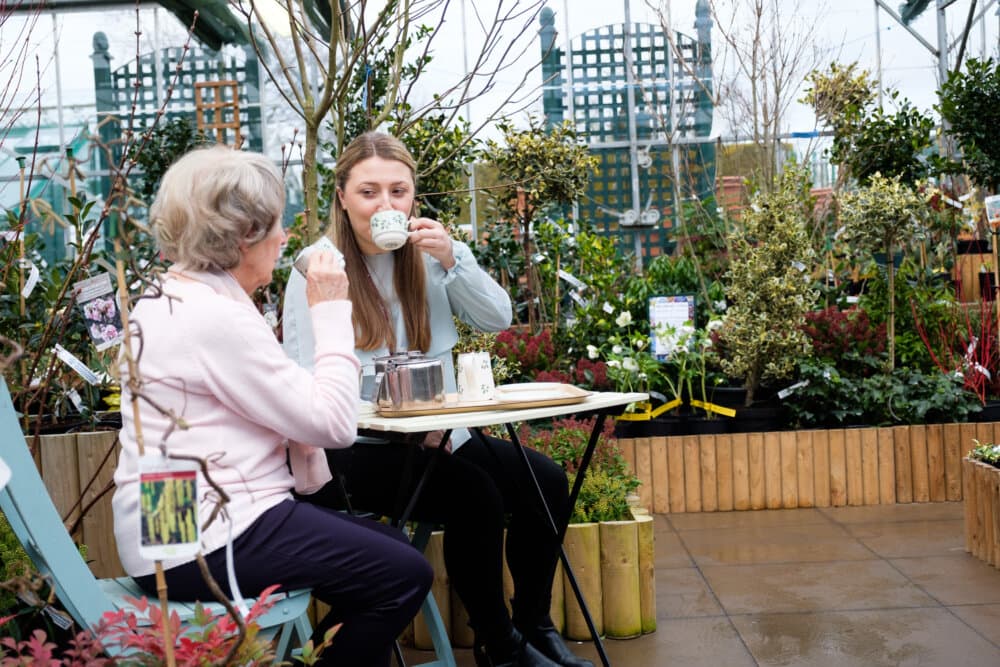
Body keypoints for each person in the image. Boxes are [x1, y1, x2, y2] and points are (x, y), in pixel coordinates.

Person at [111, 145, 433, 667]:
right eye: (277, 225)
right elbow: (333, 423)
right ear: (243, 237)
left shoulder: (164, 299)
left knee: (386, 548)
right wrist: (331, 308)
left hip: (168, 525)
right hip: (206, 535)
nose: (285, 237)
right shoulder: (215, 318)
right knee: (402, 572)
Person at [283, 131, 593, 667]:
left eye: (398, 192)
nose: (386, 206)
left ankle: (533, 625)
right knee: (476, 494)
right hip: (354, 451)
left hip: (438, 437)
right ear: (342, 196)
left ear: (412, 198)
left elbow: (496, 318)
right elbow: (309, 384)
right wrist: (406, 419)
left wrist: (455, 260)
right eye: (369, 193)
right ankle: (501, 647)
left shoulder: (429, 257)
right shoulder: (319, 268)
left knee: (544, 480)